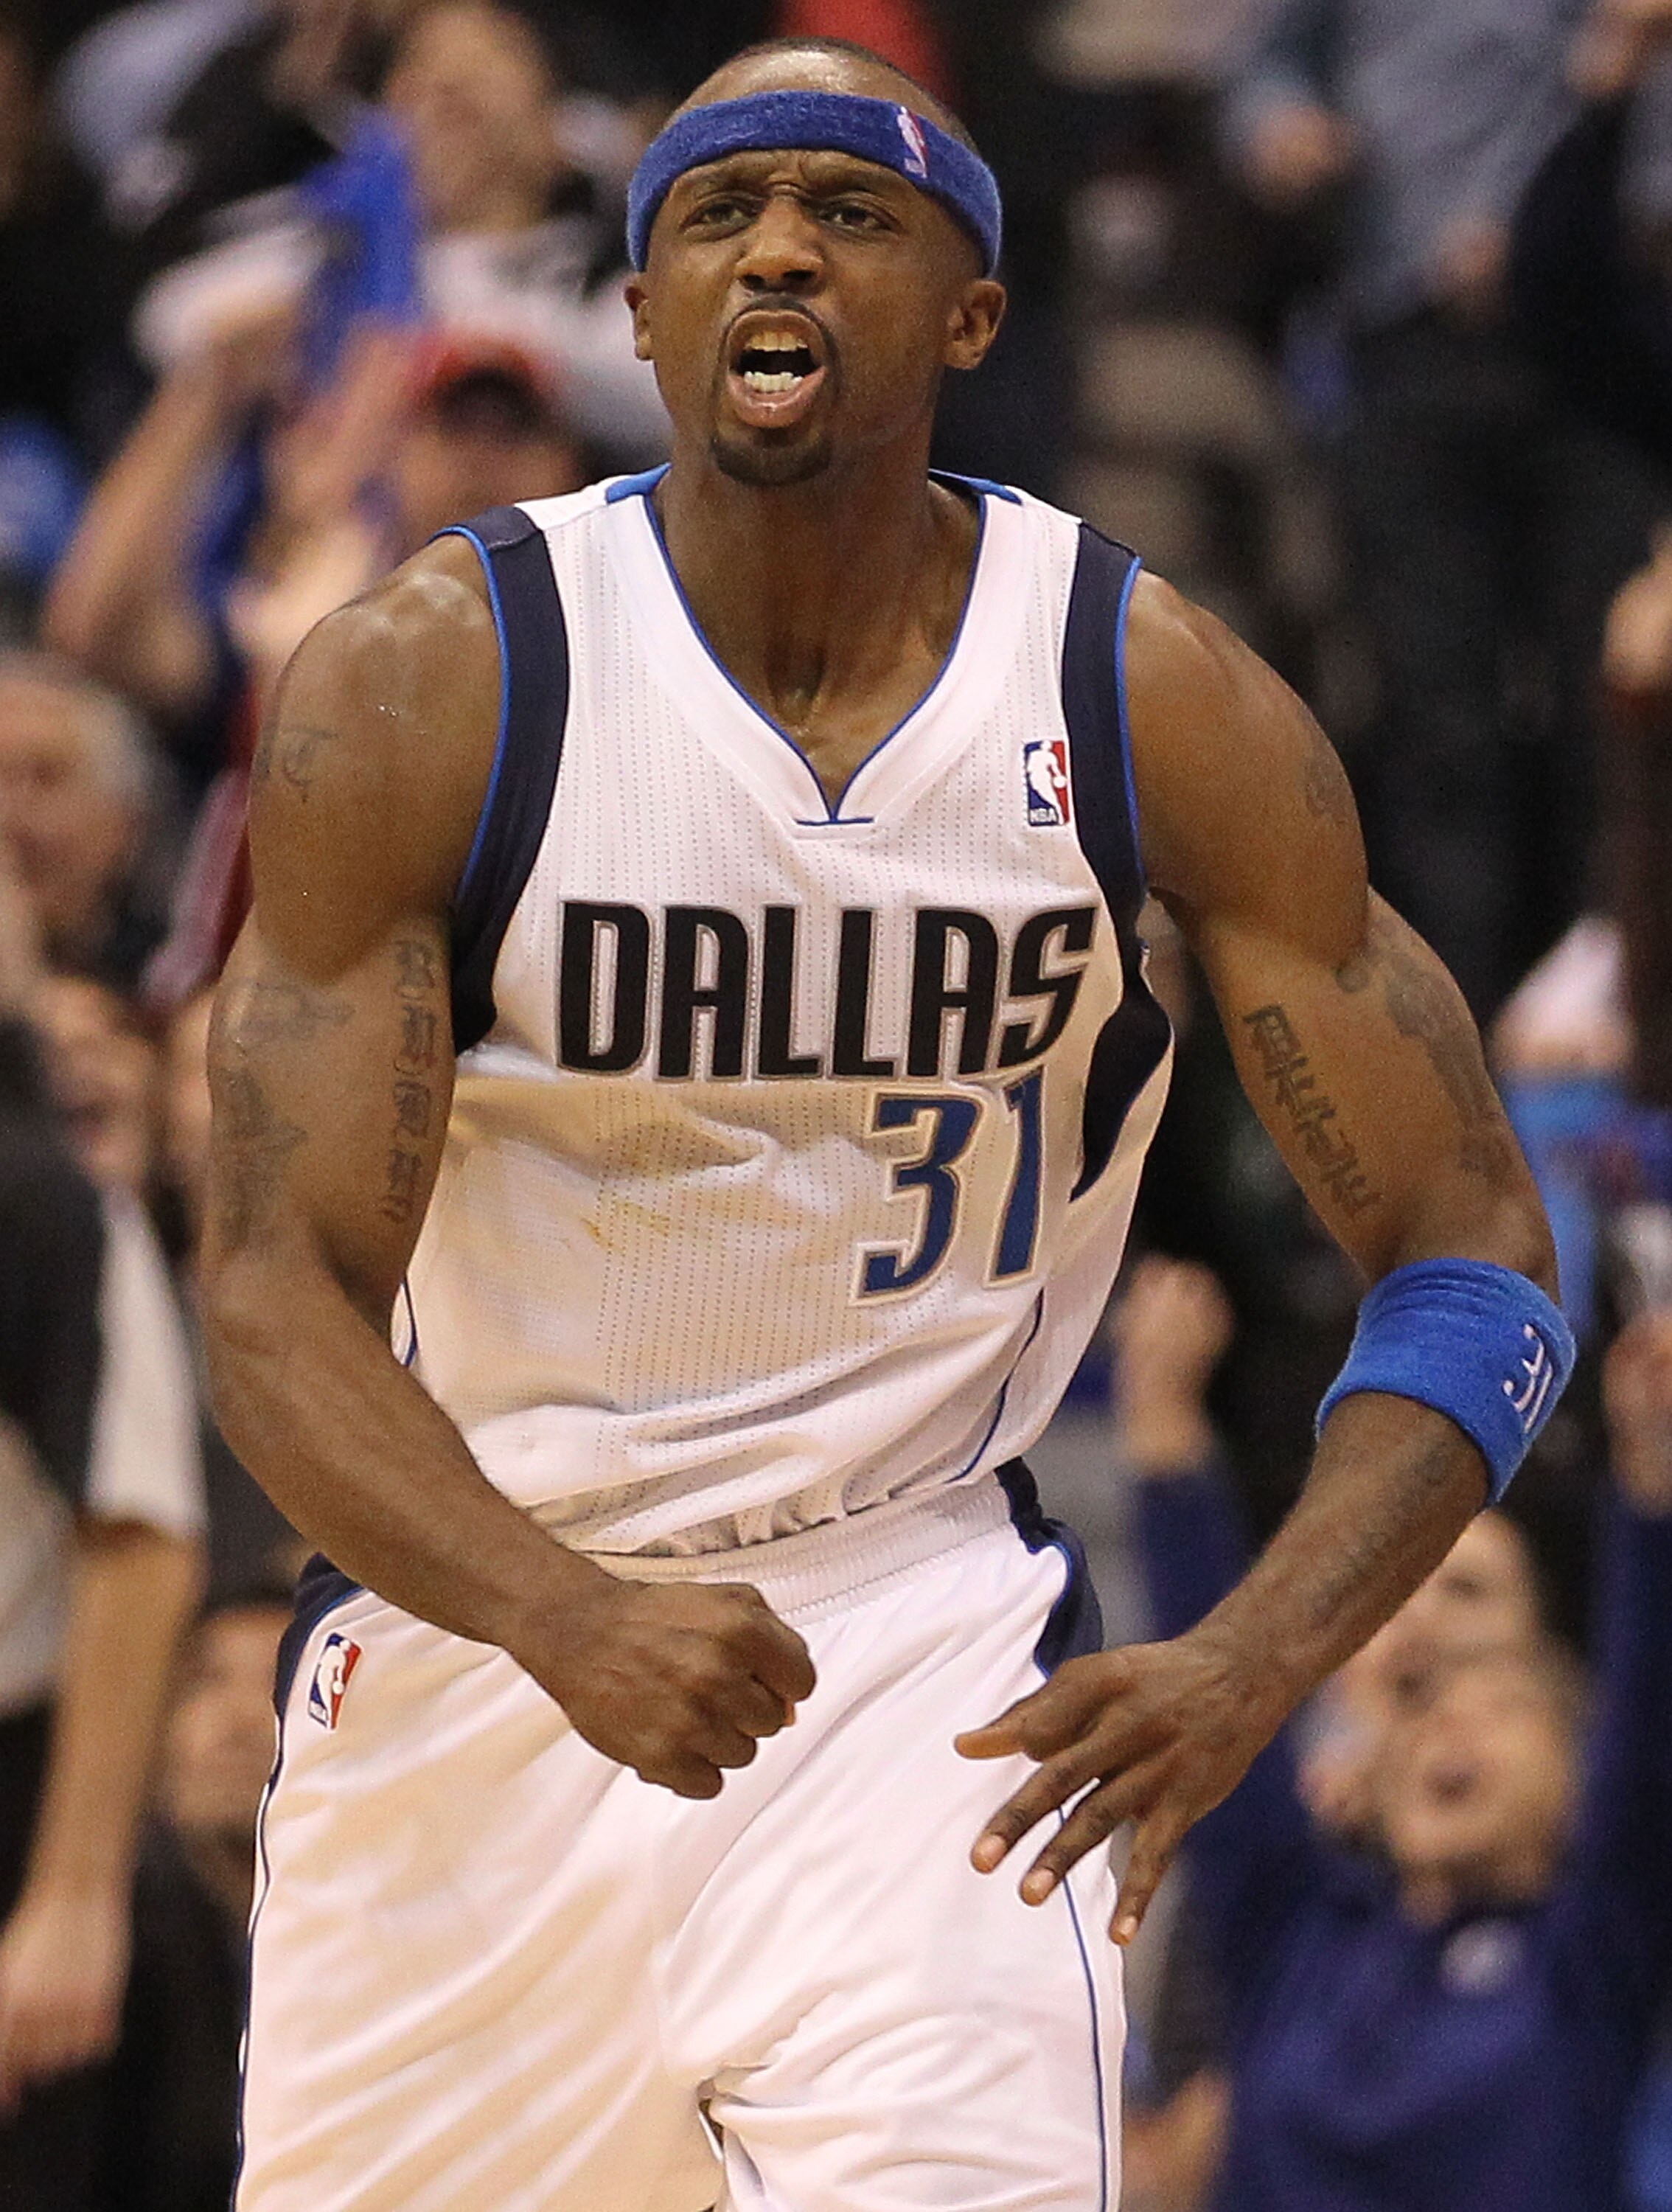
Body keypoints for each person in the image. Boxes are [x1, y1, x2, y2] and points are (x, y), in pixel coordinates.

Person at [203, 33, 1569, 2210]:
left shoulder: (1147, 700)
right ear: (639, 314)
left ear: (972, 312)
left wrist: (1252, 1661)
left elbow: (1479, 1247)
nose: (779, 249)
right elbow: (270, 1301)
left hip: (912, 1652)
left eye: (852, 211)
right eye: (718, 216)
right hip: (481, 1642)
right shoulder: (435, 681)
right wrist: (559, 1612)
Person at [1129, 1297, 1672, 2211]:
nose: (1451, 1728)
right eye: (1422, 1718)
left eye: (1502, 1703)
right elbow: (1211, 1699)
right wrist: (1162, 1421)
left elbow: (1650, 1738)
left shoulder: (1587, 1956)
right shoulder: (1294, 1931)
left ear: (1576, 1778)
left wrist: (1654, 1483)